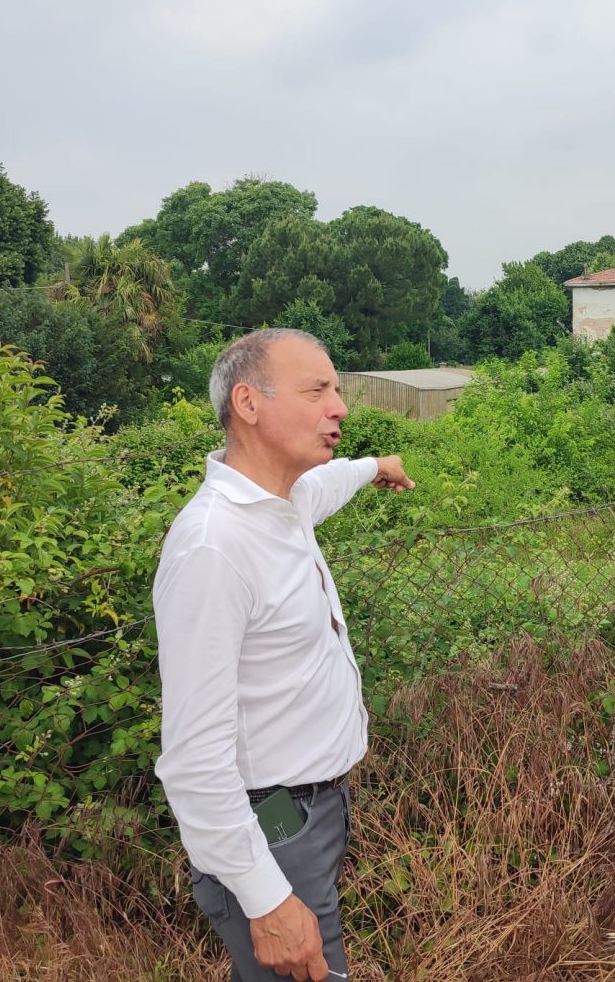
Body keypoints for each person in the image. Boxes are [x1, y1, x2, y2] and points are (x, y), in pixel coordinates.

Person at [153, 329, 415, 982]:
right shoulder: (214, 549)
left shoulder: (285, 502)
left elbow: (332, 481)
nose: (340, 407)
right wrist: (267, 899)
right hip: (272, 828)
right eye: (318, 390)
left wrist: (378, 466)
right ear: (248, 403)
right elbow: (193, 762)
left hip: (310, 811)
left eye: (338, 390)